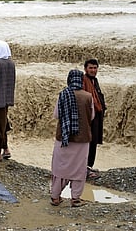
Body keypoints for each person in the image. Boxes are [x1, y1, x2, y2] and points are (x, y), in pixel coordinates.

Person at [50, 70, 94, 208]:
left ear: (69, 79)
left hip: (63, 138)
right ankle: (75, 199)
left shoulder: (63, 94)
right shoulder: (88, 96)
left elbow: (56, 115)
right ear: (81, 80)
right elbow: (91, 116)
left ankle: (55, 197)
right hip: (82, 139)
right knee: (79, 168)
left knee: (60, 168)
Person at [82, 58, 106, 179]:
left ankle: (89, 167)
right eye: (90, 68)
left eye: (95, 68)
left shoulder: (94, 81)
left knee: (93, 142)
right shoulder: (84, 80)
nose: (93, 70)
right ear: (85, 69)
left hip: (96, 117)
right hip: (89, 118)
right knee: (88, 143)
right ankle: (85, 169)